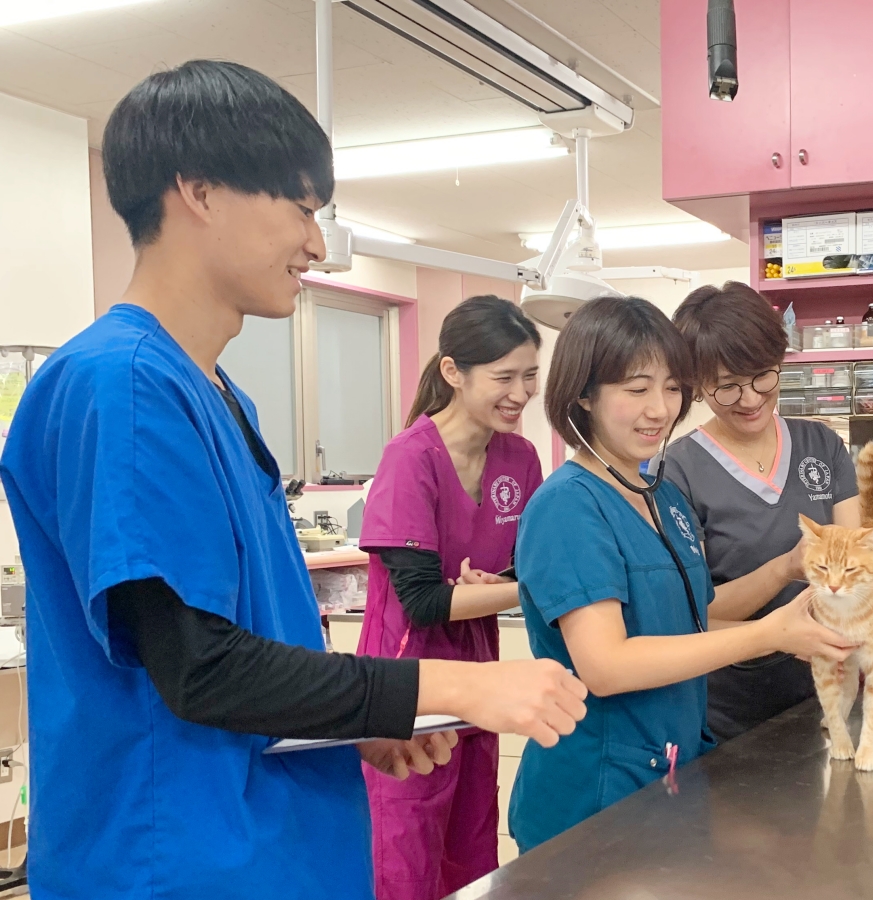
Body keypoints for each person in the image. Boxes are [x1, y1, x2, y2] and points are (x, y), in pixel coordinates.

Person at [0, 60, 587, 899]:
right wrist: (457, 683)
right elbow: (201, 665)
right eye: (302, 210)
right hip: (177, 860)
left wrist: (357, 728)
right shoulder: (120, 384)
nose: (316, 245)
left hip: (272, 840)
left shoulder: (214, 393)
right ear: (199, 192)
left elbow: (253, 641)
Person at [507, 295, 857, 851]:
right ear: (584, 393)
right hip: (596, 791)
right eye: (636, 388)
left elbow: (688, 626)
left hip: (672, 773)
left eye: (672, 388)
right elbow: (606, 665)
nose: (660, 409)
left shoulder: (662, 497)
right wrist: (766, 634)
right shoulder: (568, 505)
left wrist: (791, 634)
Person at [357, 295, 546, 900]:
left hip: (478, 679)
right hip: (407, 687)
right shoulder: (410, 458)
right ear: (452, 372)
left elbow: (520, 563)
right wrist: (518, 589)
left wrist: (500, 585)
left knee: (471, 850)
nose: (520, 393)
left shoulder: (518, 456)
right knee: (406, 852)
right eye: (504, 377)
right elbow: (421, 602)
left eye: (529, 376)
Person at [664, 281, 862, 740]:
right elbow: (691, 614)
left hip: (825, 691)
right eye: (726, 387)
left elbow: (855, 563)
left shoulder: (822, 445)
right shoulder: (678, 470)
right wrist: (785, 568)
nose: (750, 399)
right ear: (697, 386)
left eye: (762, 376)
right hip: (727, 708)